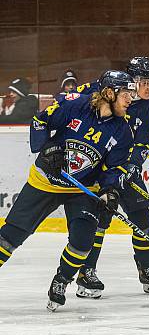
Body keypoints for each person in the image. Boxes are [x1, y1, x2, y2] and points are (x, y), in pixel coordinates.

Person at [0, 70, 137, 311]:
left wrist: (109, 191)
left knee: (83, 242)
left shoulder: (123, 131)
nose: (130, 100)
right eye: (126, 94)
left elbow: (115, 168)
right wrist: (46, 150)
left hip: (82, 189)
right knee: (11, 236)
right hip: (47, 180)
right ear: (108, 93)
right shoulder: (75, 104)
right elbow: (40, 121)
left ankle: (61, 280)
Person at [73, 56, 149, 297]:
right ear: (132, 80)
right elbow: (73, 102)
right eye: (145, 82)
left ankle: (147, 270)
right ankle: (87, 273)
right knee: (98, 220)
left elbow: (145, 143)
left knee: (143, 220)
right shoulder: (107, 90)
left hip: (125, 169)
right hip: (97, 170)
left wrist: (133, 166)